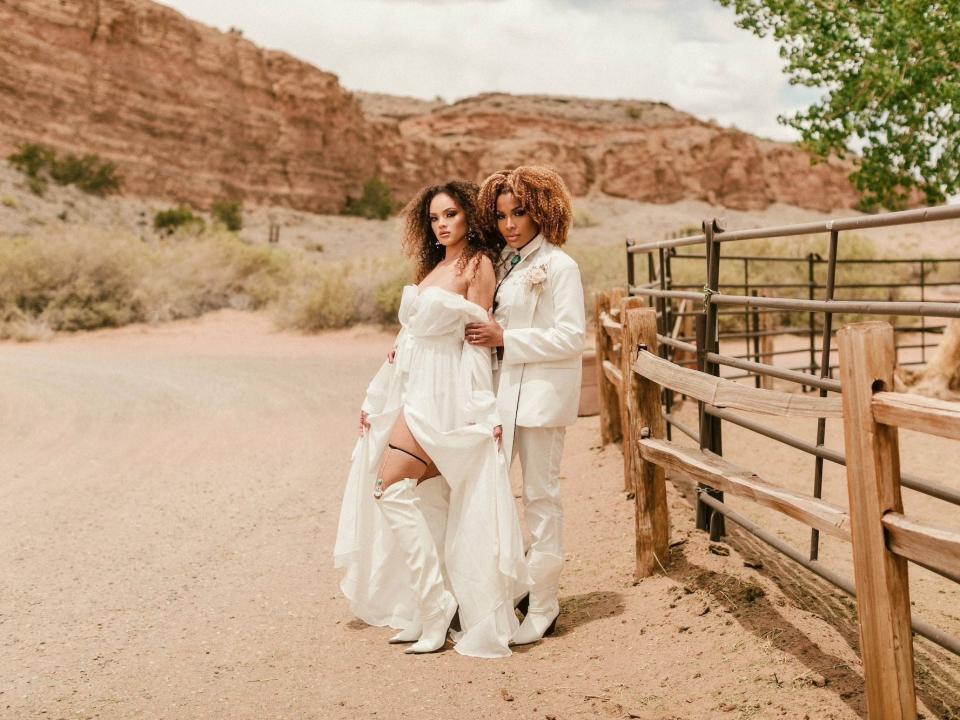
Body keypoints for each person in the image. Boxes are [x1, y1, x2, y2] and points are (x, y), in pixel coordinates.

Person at [334, 180, 530, 657]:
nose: (442, 225)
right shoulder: (434, 267)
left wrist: (484, 409)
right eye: (435, 218)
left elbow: (479, 340)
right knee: (418, 498)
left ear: (469, 218)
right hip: (412, 384)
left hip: (445, 393)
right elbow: (406, 340)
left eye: (451, 215)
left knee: (390, 487)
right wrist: (375, 394)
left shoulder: (477, 264)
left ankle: (437, 603)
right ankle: (433, 603)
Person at [466, 166, 586, 645]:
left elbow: (572, 336)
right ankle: (516, 587)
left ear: (542, 210)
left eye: (519, 213)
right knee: (498, 496)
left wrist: (505, 337)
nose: (510, 224)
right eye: (501, 215)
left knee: (540, 499)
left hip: (540, 399)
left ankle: (544, 606)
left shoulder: (559, 266)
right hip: (505, 397)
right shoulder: (509, 263)